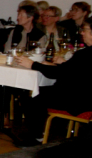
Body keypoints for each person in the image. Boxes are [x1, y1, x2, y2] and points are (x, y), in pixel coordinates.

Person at [13, 18, 92, 147]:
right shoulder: (85, 54)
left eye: (85, 30)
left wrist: (33, 64)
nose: (82, 33)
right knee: (39, 92)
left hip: (77, 100)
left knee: (32, 95)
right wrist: (61, 65)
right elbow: (73, 70)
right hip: (85, 96)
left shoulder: (85, 54)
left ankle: (36, 136)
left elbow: (57, 73)